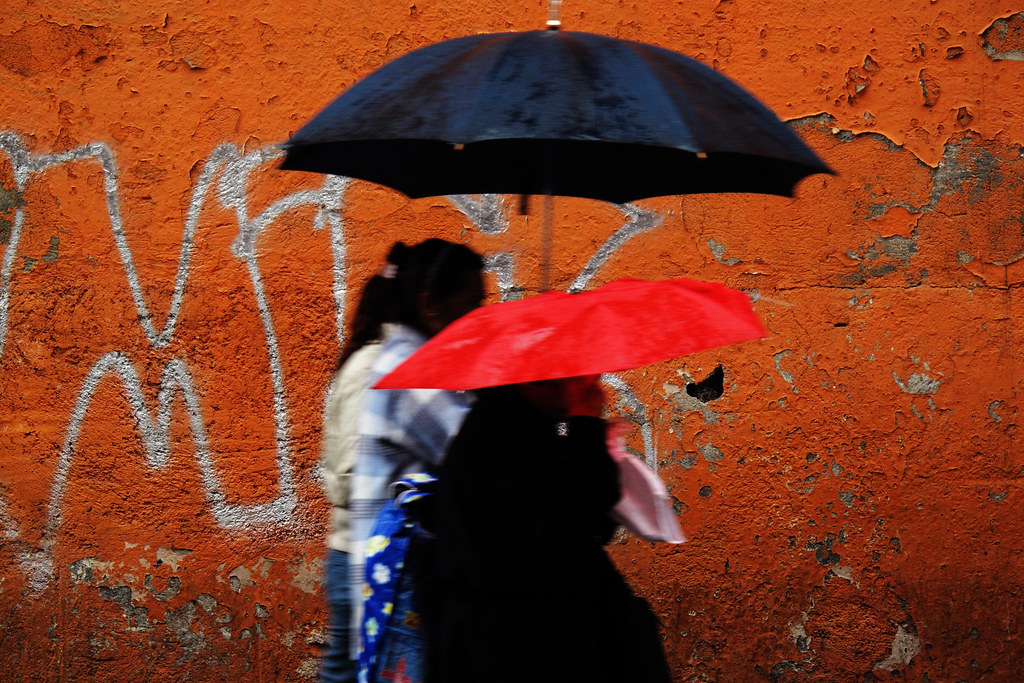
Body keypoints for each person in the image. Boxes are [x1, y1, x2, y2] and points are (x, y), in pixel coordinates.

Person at [432, 376, 672, 683]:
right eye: (574, 376)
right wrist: (586, 422)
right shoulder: (508, 439)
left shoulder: (506, 428)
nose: (589, 381)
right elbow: (571, 519)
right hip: (521, 645)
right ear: (529, 382)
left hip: (504, 639)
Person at [319, 238, 484, 683]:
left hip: (379, 558)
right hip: (389, 563)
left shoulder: (409, 362)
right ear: (430, 305)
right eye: (471, 305)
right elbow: (477, 454)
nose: (480, 319)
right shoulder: (407, 372)